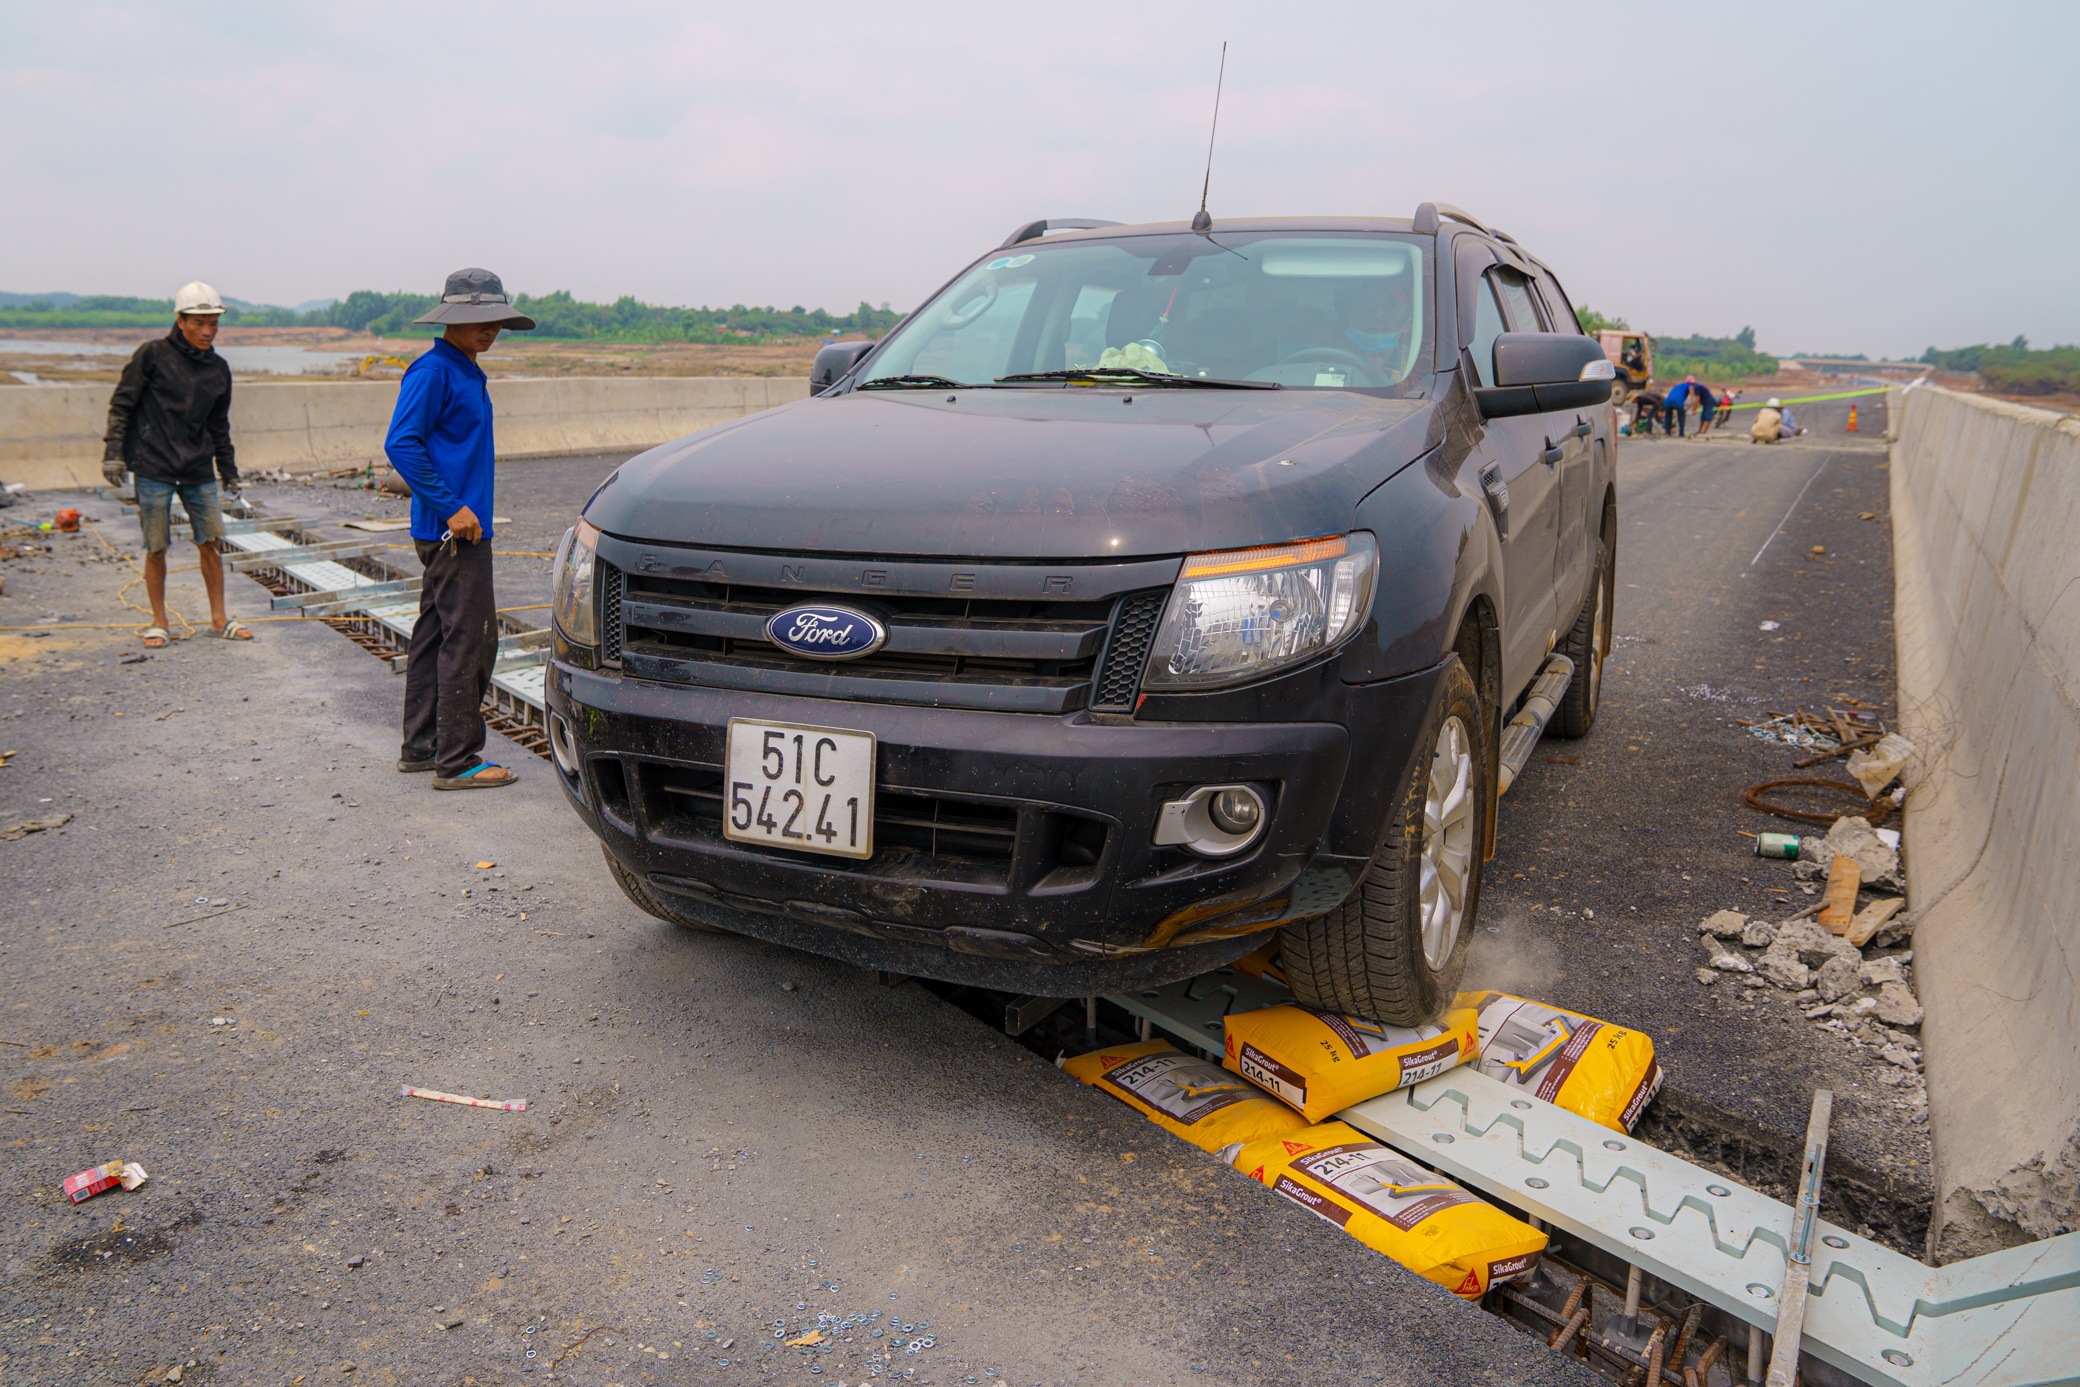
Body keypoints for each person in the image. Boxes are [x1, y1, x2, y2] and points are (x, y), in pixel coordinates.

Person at [383, 267, 536, 791]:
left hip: (456, 528)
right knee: (471, 640)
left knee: (434, 637)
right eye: (478, 320)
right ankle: (458, 759)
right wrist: (452, 507)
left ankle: (421, 747)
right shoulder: (433, 371)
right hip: (455, 532)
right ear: (451, 319)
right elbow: (401, 443)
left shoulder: (466, 368)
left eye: (495, 319)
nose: (489, 328)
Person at [100, 281, 252, 647]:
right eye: (200, 323)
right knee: (156, 546)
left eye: (213, 323)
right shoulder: (152, 356)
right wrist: (113, 453)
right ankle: (159, 621)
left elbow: (219, 425)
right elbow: (122, 404)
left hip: (197, 469)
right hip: (153, 465)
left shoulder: (218, 369)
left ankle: (219, 619)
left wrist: (228, 471)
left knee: (211, 542)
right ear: (180, 321)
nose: (208, 331)